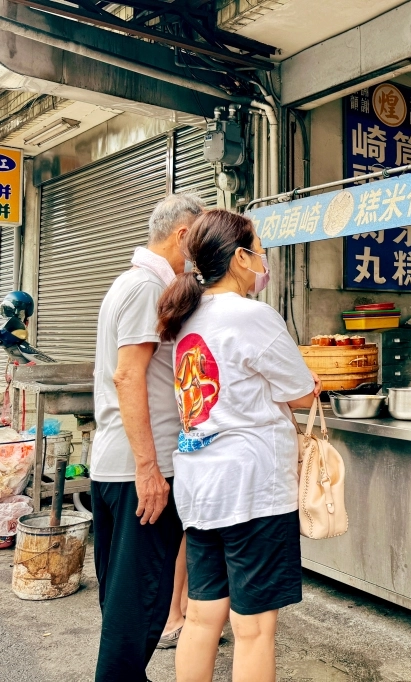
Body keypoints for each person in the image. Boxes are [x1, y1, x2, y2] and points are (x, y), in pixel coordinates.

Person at [156, 210, 319, 682]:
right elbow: (301, 393)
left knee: (203, 616)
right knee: (254, 629)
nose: (263, 260)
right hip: (253, 489)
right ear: (241, 257)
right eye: (258, 249)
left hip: (201, 486)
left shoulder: (187, 317)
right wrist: (312, 385)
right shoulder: (253, 316)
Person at [91, 193, 205, 681]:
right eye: (199, 242)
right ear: (182, 236)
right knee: (138, 607)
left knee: (125, 604)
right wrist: (149, 470)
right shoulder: (143, 288)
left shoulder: (130, 282)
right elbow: (128, 377)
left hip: (121, 465)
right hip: (139, 470)